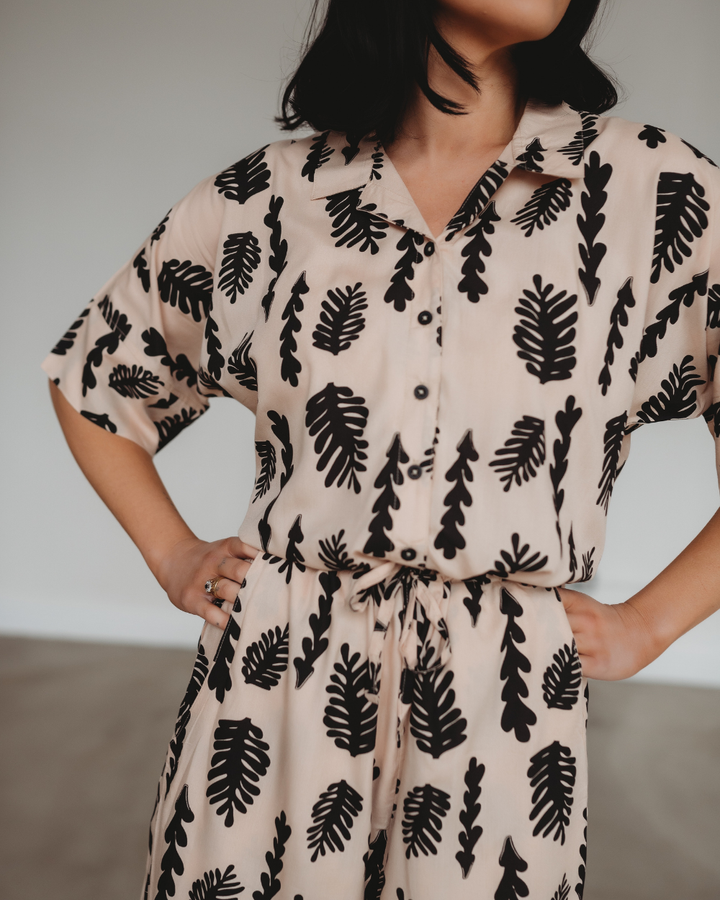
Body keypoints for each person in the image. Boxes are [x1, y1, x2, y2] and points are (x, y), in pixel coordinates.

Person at [42, 0, 720, 897]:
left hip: (499, 704)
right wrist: (172, 553)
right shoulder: (272, 197)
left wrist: (650, 623)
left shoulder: (650, 190)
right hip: (274, 687)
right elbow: (96, 376)